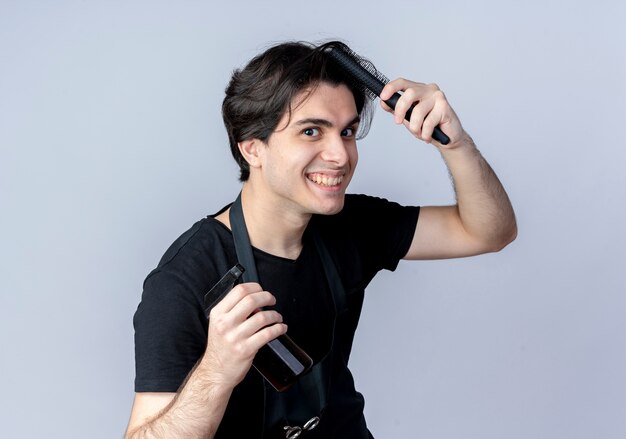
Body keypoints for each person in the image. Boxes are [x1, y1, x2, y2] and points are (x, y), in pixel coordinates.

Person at [124, 40, 517, 438]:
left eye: (347, 132)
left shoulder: (352, 223)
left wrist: (456, 144)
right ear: (252, 148)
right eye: (311, 131)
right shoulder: (185, 279)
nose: (341, 155)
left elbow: (489, 231)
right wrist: (217, 370)